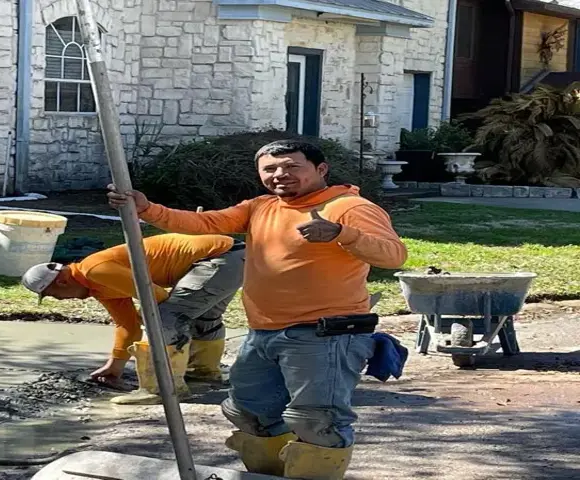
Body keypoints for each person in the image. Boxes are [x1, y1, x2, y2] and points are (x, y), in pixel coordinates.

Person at [107, 140, 407, 479]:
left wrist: (342, 233)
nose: (280, 174)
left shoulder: (350, 207)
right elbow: (204, 223)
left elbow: (393, 255)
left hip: (326, 335)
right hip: (264, 333)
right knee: (250, 414)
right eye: (270, 169)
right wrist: (147, 209)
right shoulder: (261, 206)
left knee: (317, 420)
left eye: (292, 167)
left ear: (321, 169)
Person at [21, 233, 244, 405]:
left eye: (52, 295)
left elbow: (157, 297)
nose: (59, 300)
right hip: (232, 256)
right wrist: (114, 366)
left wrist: (146, 316)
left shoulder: (93, 270)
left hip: (218, 257)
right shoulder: (96, 285)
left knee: (163, 315)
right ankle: (203, 373)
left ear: (60, 282)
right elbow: (127, 326)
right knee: (204, 317)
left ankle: (160, 389)